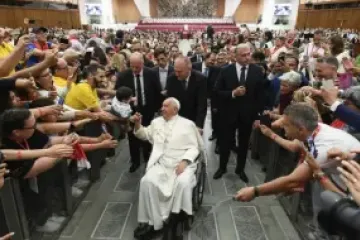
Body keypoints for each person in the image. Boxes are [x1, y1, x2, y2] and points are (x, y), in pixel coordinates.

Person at [132, 97, 203, 239]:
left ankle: (176, 221)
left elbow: (195, 147)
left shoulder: (187, 124)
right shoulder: (156, 122)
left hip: (182, 164)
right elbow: (144, 135)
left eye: (165, 106)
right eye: (162, 106)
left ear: (175, 109)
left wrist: (185, 161)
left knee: (182, 183)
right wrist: (138, 124)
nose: (162, 108)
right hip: (162, 163)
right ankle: (153, 222)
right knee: (147, 182)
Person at [213, 43, 266, 182]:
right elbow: (217, 92)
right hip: (228, 114)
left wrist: (258, 116)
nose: (247, 57)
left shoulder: (257, 71)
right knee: (225, 143)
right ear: (235, 56)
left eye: (249, 54)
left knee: (243, 145)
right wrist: (232, 93)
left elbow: (260, 95)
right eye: (243, 55)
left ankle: (240, 169)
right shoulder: (225, 70)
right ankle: (222, 167)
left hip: (247, 115)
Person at [115, 52, 162, 172]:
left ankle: (148, 157)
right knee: (132, 137)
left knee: (148, 134)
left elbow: (158, 92)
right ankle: (135, 161)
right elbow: (118, 94)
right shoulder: (123, 75)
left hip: (148, 110)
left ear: (142, 63)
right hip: (130, 111)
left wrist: (157, 109)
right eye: (132, 66)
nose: (135, 69)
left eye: (137, 66)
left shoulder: (151, 73)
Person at [166, 56, 207, 132]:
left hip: (194, 120)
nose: (177, 74)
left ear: (189, 69)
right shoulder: (171, 78)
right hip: (177, 120)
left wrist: (199, 126)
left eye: (180, 71)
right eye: (175, 71)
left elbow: (202, 105)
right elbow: (170, 101)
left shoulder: (201, 79)